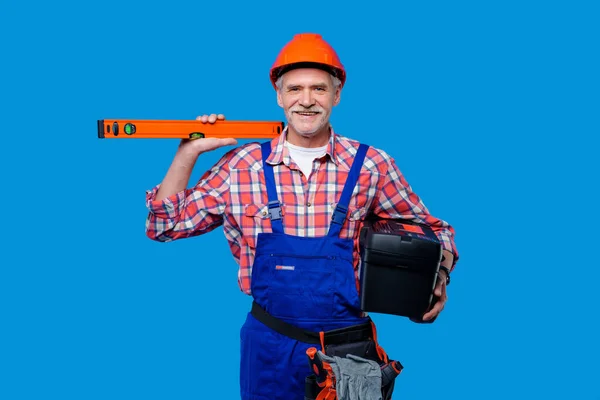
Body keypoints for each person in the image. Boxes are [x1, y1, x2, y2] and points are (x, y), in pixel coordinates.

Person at [145, 33, 459, 400]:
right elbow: (164, 225)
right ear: (279, 96)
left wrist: (439, 279)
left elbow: (436, 232)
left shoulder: (372, 165)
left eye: (319, 89)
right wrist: (190, 150)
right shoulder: (241, 166)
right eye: (295, 89)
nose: (306, 100)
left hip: (348, 351)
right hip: (269, 348)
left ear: (336, 95)